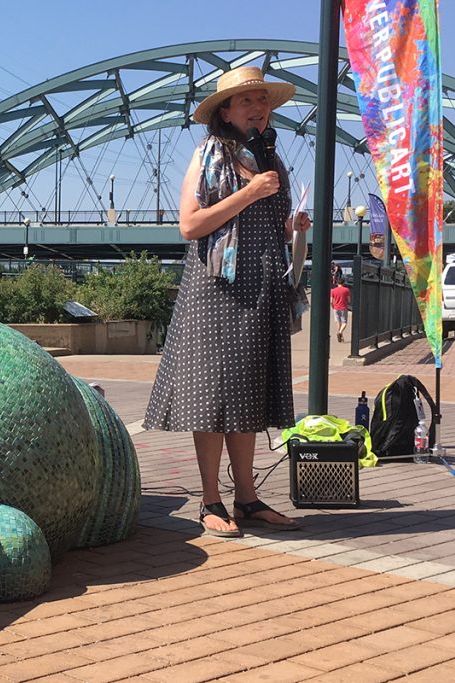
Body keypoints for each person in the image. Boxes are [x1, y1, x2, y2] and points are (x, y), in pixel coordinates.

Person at [143, 66, 310, 537]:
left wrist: (292, 227)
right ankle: (210, 500)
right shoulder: (208, 153)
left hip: (260, 287)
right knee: (212, 396)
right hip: (215, 291)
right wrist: (251, 192)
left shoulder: (270, 156)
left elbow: (270, 221)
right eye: (246, 101)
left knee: (248, 395)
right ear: (225, 111)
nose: (257, 108)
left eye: (262, 100)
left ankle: (248, 499)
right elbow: (190, 226)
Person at [331, 276, 351, 343]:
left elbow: (331, 301)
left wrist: (332, 306)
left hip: (336, 308)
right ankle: (340, 333)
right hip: (343, 307)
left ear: (337, 283)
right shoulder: (346, 290)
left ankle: (341, 335)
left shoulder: (333, 290)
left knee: (338, 321)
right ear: (343, 283)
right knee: (344, 322)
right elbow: (348, 300)